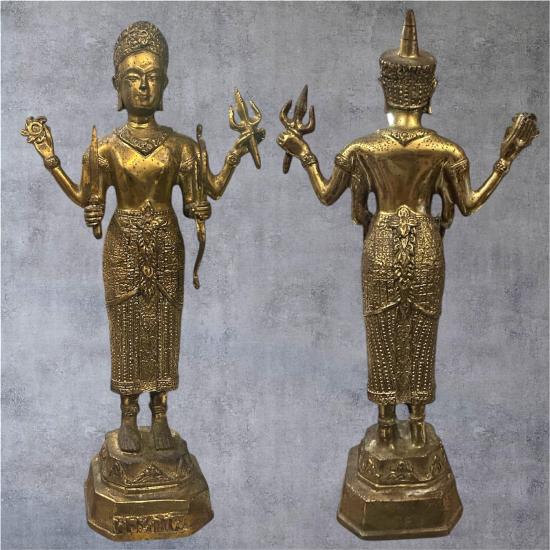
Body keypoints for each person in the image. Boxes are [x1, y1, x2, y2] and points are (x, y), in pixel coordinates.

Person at [277, 10, 538, 446]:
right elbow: (469, 203)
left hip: (381, 242)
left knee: (381, 328)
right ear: (429, 93)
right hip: (424, 244)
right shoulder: (445, 151)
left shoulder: (362, 149)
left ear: (386, 91)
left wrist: (303, 151)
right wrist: (504, 160)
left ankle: (385, 424)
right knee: (420, 329)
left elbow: (326, 193)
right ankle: (416, 424)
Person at [24, 21, 263, 453]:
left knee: (165, 327)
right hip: (123, 246)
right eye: (133, 77)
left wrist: (235, 154)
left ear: (165, 84)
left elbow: (206, 191)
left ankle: (161, 414)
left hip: (166, 244)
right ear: (117, 85)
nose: (143, 85)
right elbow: (86, 197)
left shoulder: (181, 146)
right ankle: (128, 415)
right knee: (127, 329)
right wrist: (50, 159)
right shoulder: (106, 148)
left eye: (152, 76)